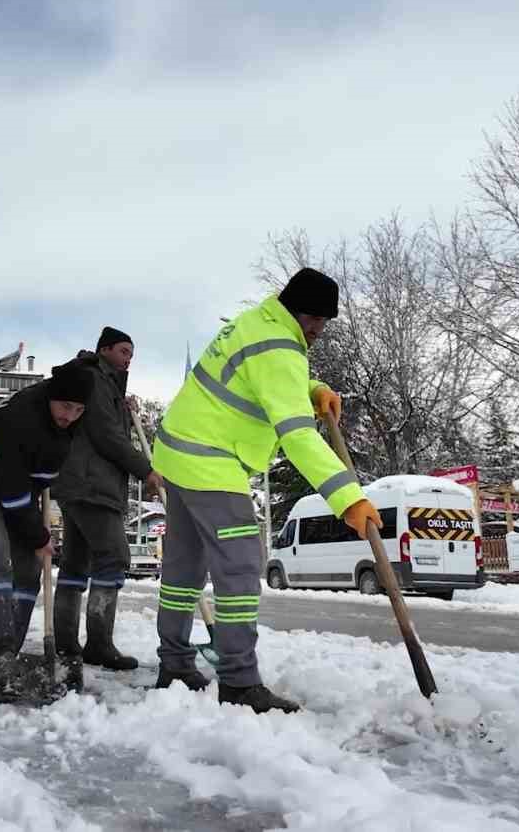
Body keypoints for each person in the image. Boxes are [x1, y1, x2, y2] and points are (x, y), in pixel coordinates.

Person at [150, 267, 381, 714]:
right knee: (239, 567)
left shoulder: (258, 322)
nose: (318, 331)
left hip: (177, 455)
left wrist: (310, 389)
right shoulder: (280, 346)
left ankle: (175, 663)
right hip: (209, 461)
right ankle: (238, 682)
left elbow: (257, 376)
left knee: (184, 567)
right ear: (300, 313)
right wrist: (347, 497)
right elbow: (296, 435)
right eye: (315, 321)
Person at [0, 362, 93, 701]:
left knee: (31, 568)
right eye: (65, 406)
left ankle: (13, 649)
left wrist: (38, 525)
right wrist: (40, 536)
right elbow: (13, 495)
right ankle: (1, 655)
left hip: (21, 487)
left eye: (78, 410)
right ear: (52, 397)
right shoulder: (18, 419)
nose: (70, 415)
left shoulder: (70, 422)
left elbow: (36, 481)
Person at [50, 327, 166, 688]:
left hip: (79, 484)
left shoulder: (102, 383)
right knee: (113, 557)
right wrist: (144, 469)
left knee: (75, 564)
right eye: (123, 351)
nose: (129, 358)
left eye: (132, 353)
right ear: (104, 350)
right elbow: (105, 435)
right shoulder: (96, 380)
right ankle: (98, 643)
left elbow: (107, 426)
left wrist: (123, 402)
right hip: (91, 486)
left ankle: (67, 642)